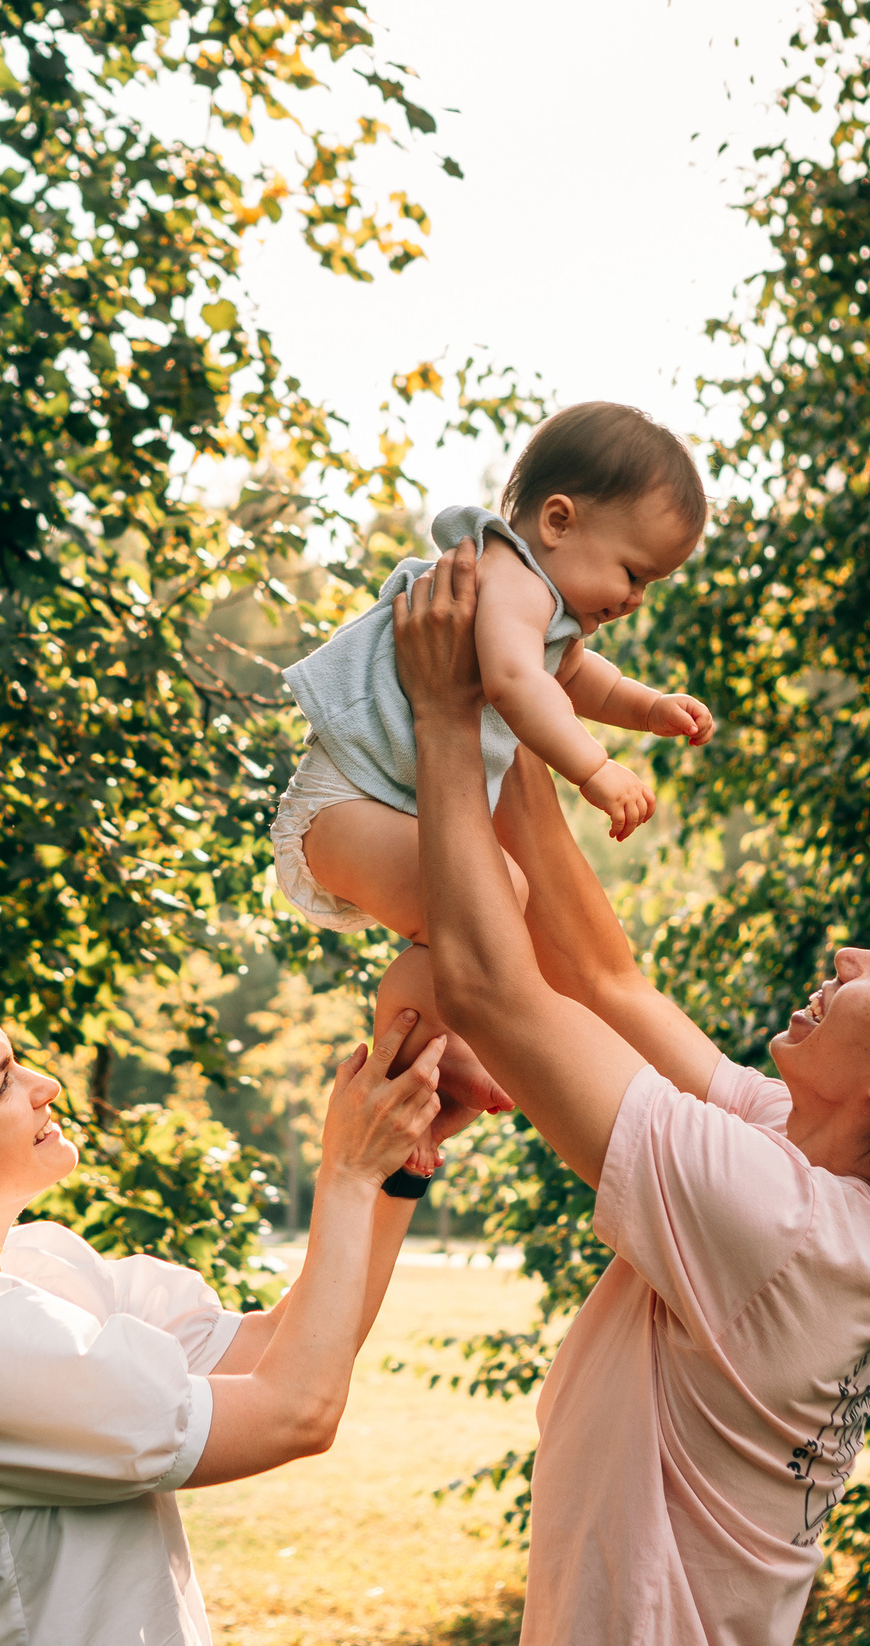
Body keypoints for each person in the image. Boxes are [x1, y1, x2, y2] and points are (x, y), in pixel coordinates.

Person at [386, 544, 870, 1646]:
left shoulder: (779, 1227)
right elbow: (606, 981)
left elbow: (491, 988)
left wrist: (441, 714)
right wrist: (510, 714)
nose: (851, 956)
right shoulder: (849, 1192)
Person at [0, 973, 469, 1646]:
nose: (45, 1086)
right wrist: (347, 1170)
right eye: (3, 1082)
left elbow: (281, 1347)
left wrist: (394, 1172)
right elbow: (297, 1411)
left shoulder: (32, 1269)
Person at [272, 401, 718, 1180]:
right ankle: (403, 1080)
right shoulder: (509, 575)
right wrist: (594, 769)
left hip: (371, 808)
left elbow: (578, 678)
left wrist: (648, 708)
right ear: (558, 520)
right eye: (633, 573)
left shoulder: (544, 611)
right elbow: (516, 682)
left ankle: (423, 1068)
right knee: (495, 898)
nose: (635, 600)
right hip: (339, 803)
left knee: (478, 919)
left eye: (651, 584)